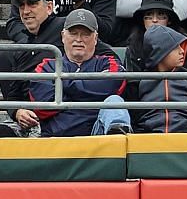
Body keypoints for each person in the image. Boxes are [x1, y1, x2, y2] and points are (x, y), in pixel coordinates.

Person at [19, 7, 131, 135]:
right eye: (73, 33)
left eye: (86, 34)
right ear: (63, 36)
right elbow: (44, 108)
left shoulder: (109, 63)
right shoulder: (46, 66)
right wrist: (92, 98)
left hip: (98, 135)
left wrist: (64, 84)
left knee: (114, 101)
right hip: (56, 138)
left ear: (95, 38)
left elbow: (114, 86)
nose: (79, 39)